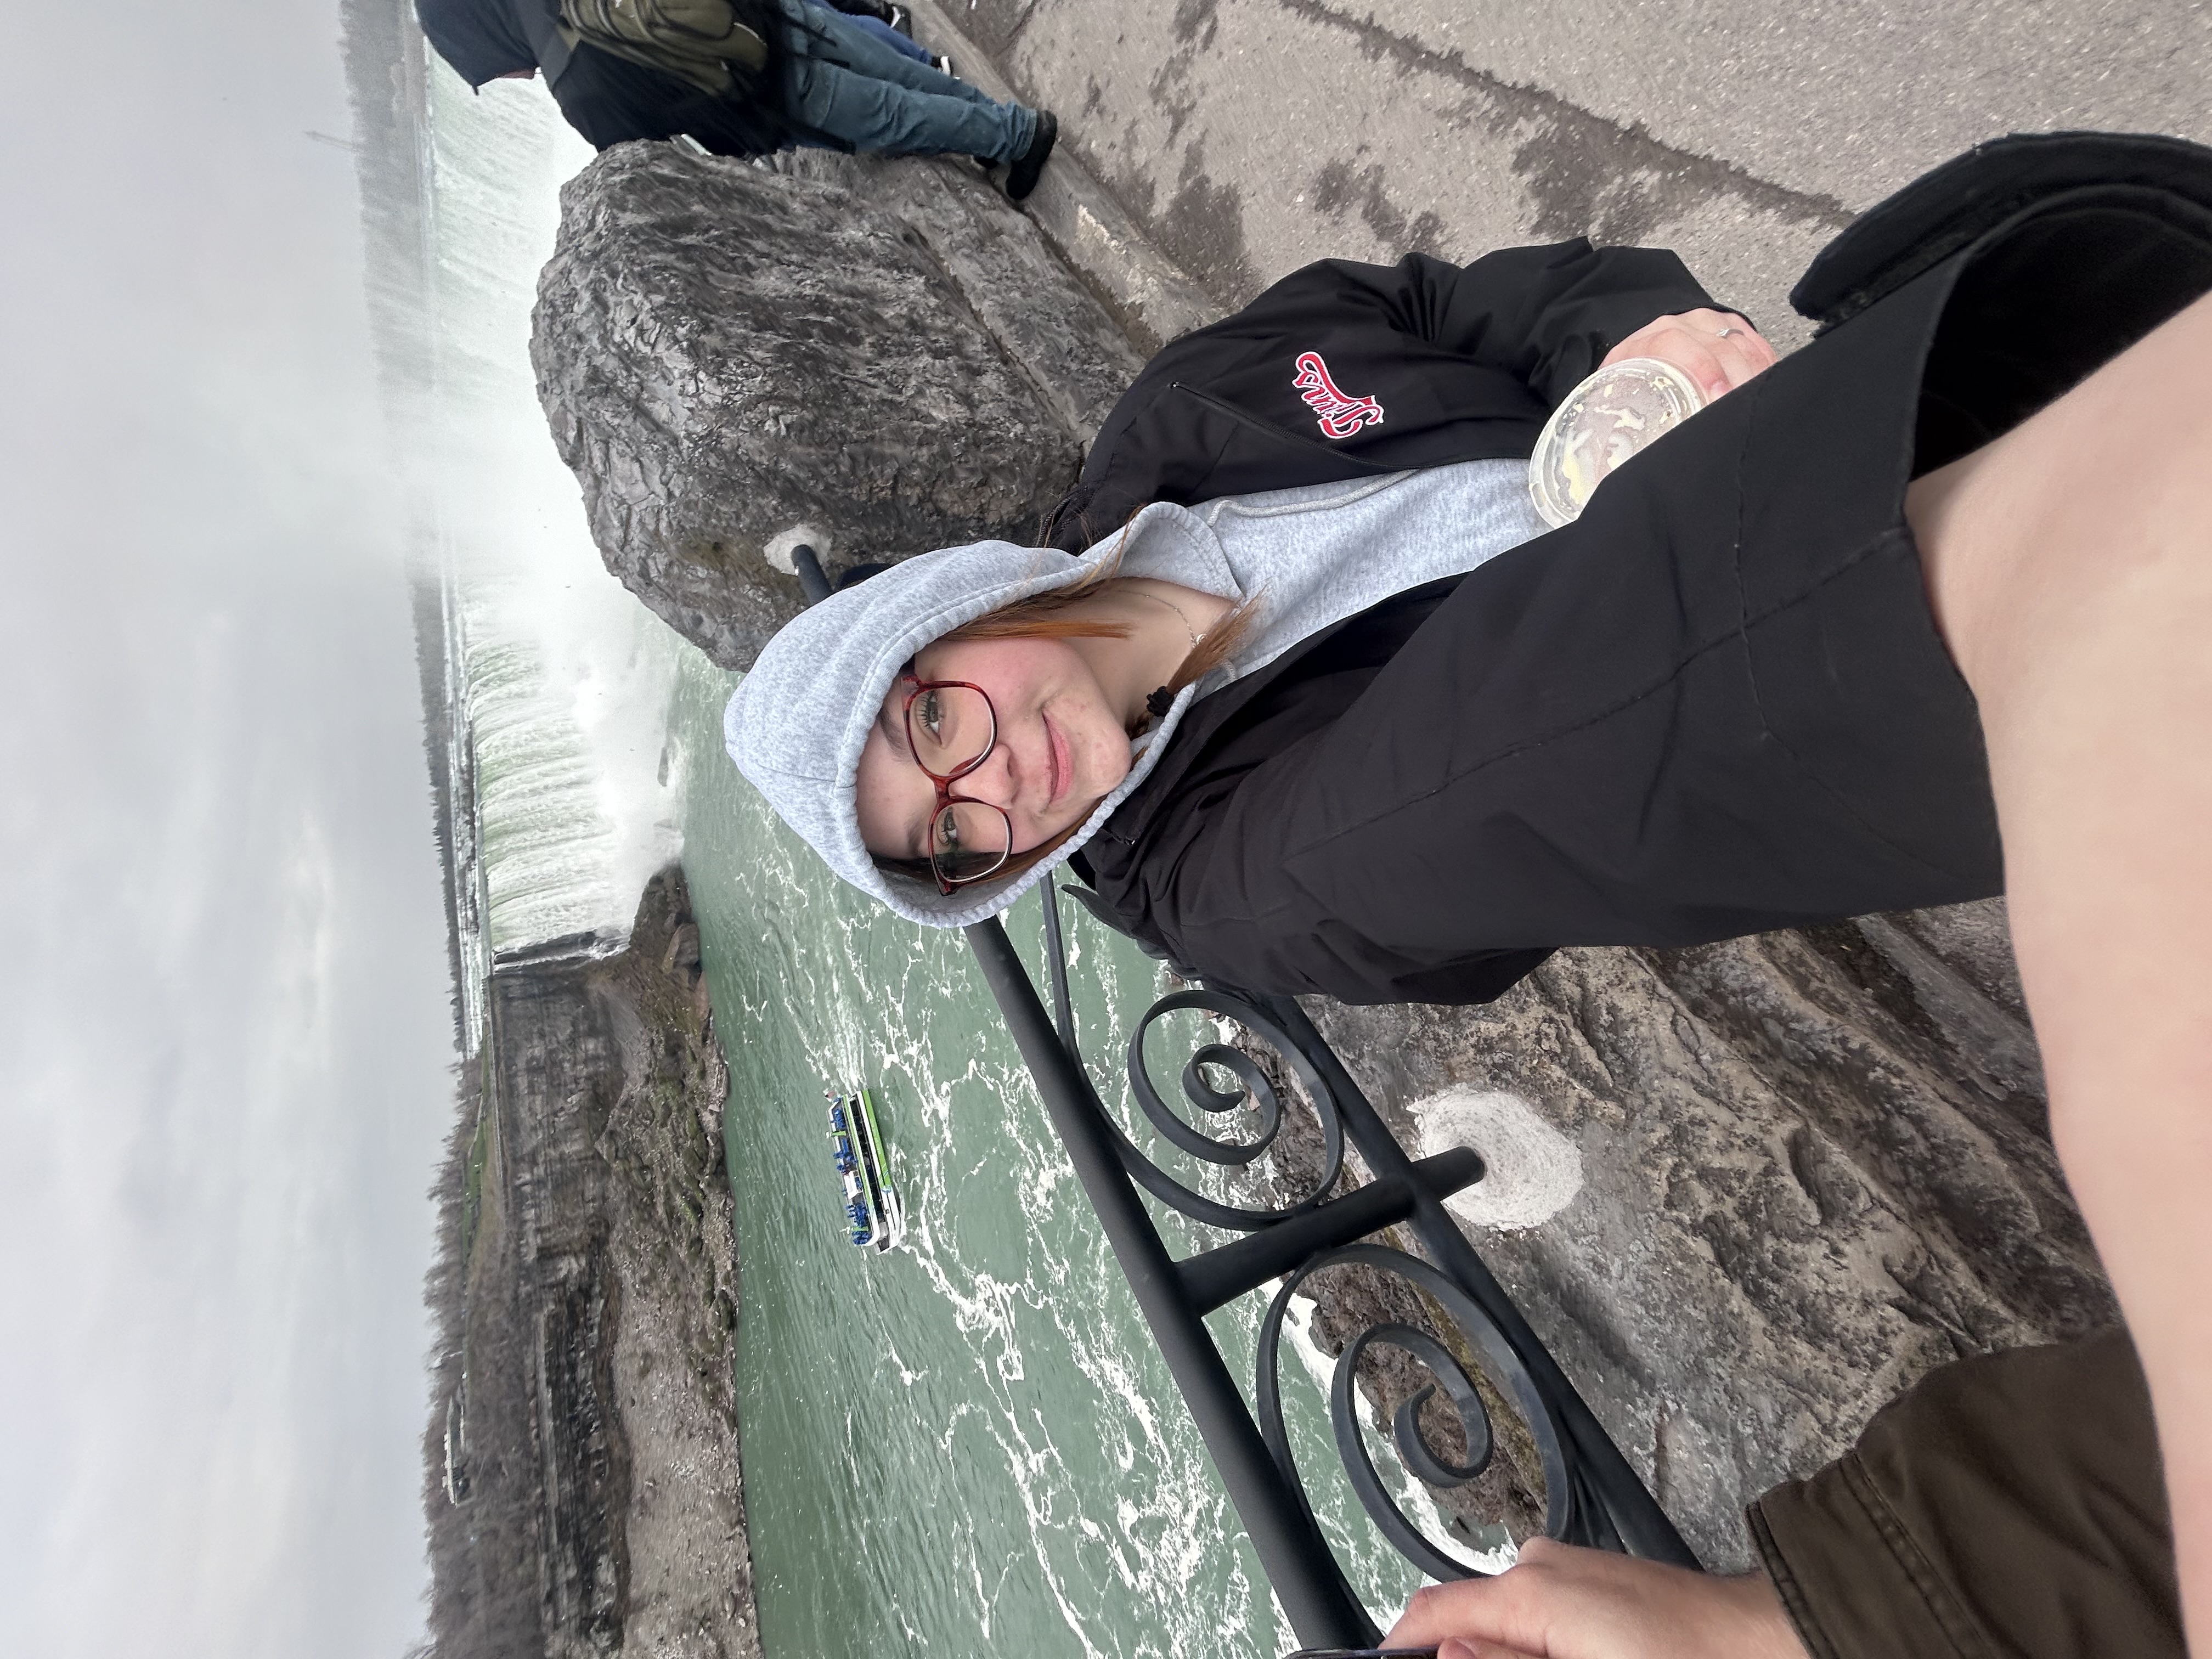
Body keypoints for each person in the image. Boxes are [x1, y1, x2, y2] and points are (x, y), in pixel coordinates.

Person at [727, 129, 2212, 1657]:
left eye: (933, 725)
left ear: (938, 616)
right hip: (1990, 602)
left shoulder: (1179, 419)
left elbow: (1447, 306)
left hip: (1937, 405)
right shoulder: (1243, 880)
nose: (994, 790)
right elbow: (1557, 752)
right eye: (952, 841)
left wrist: (1627, 338)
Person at [416, 0, 1058, 198]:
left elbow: (663, 169)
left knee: (894, 116)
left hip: (769, 92)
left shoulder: (576, 85)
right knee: (893, 67)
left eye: (488, 72)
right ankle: (1004, 122)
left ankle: (1019, 137)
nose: (509, 79)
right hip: (771, 11)